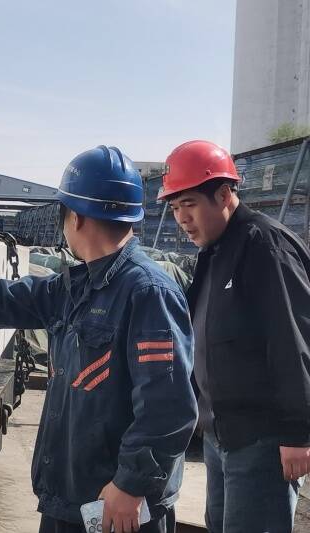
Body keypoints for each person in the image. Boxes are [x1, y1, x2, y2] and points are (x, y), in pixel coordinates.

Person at [0, 146, 198, 533]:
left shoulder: (148, 292)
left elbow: (169, 408)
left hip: (118, 507)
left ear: (76, 217)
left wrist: (131, 485)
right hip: (71, 499)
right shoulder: (73, 288)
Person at [161, 140, 310, 533]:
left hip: (261, 440)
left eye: (189, 204)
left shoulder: (265, 246)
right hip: (220, 434)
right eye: (174, 208)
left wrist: (298, 433)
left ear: (224, 195)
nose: (181, 218)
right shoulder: (214, 252)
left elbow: (292, 341)